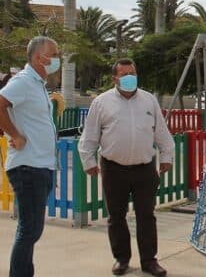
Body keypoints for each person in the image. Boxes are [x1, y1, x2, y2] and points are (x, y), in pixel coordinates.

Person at [78, 58, 174, 277]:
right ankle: (121, 259)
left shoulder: (149, 100)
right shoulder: (101, 102)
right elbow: (90, 135)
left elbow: (161, 132)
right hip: (113, 169)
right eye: (124, 75)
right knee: (117, 216)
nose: (130, 78)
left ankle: (149, 261)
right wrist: (89, 162)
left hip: (144, 168)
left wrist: (166, 155)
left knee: (146, 216)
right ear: (114, 79)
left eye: (133, 73)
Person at [0, 36, 59, 277]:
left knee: (32, 230)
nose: (58, 60)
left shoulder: (37, 84)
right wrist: (15, 134)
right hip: (28, 165)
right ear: (40, 57)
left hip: (41, 165)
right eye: (55, 54)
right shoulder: (24, 81)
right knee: (29, 229)